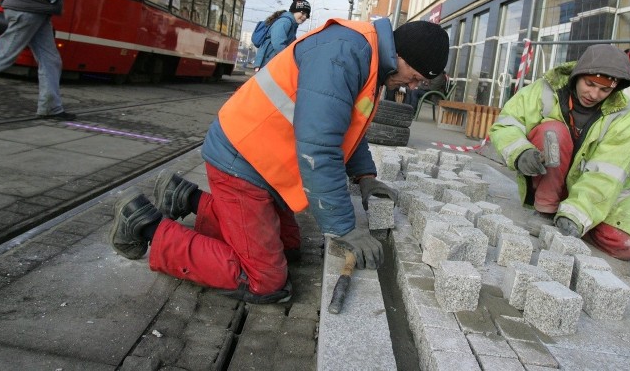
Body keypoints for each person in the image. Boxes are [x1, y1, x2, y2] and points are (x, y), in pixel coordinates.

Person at [108, 19, 450, 303]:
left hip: (262, 163)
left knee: (289, 247)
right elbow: (319, 149)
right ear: (402, 55)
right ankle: (145, 225)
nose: (414, 85)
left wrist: (364, 176)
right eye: (417, 76)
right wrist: (344, 228)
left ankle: (185, 197)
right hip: (241, 160)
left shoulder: (372, 59)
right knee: (267, 281)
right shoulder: (346, 54)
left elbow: (348, 126)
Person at [489, 44, 630, 260]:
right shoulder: (545, 90)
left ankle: (573, 217)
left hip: (598, 193)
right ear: (578, 75)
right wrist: (520, 152)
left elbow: (605, 175)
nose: (594, 94)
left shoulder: (627, 116)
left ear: (616, 88)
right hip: (551, 180)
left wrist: (577, 214)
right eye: (589, 84)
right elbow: (507, 124)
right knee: (552, 131)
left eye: (604, 90)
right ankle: (547, 211)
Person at [252, 0, 311, 70]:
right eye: (302, 13)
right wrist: (290, 60)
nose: (304, 17)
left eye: (307, 15)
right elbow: (278, 43)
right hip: (267, 62)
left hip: (271, 62)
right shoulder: (285, 22)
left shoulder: (292, 25)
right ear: (294, 11)